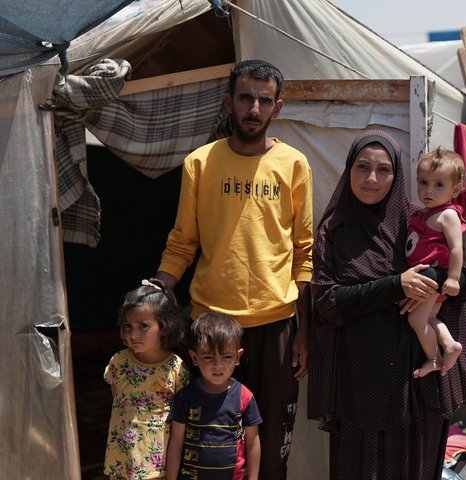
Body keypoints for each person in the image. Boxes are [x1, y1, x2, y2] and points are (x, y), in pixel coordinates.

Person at [155, 59, 313, 479]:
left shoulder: (294, 164)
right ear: (229, 102)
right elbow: (183, 240)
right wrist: (160, 285)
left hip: (276, 323)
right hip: (210, 324)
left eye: (264, 100)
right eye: (245, 97)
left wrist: (304, 329)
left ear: (277, 107)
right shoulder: (200, 163)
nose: (254, 109)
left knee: (272, 437)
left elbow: (304, 251)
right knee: (206, 440)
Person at [308, 129, 466, 479]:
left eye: (384, 169)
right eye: (362, 166)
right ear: (348, 169)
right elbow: (327, 302)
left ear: (398, 173)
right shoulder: (335, 230)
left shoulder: (422, 218)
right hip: (359, 386)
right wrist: (396, 284)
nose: (372, 178)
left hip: (415, 386)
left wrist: (431, 278)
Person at [103, 278, 190, 480]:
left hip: (158, 467)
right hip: (122, 461)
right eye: (128, 326)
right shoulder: (119, 362)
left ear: (164, 327)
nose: (133, 334)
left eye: (143, 326)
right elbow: (118, 402)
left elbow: (181, 421)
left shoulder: (175, 368)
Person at [166, 312, 262, 480]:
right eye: (209, 357)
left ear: (238, 357)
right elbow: (176, 442)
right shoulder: (185, 397)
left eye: (227, 357)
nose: (218, 366)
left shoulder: (245, 397)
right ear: (195, 357)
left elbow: (253, 442)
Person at [406, 147, 466, 378]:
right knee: (430, 317)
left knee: (416, 318)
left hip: (435, 277)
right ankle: (449, 344)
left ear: (456, 189)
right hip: (427, 278)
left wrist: (453, 277)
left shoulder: (448, 214)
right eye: (423, 182)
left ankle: (433, 359)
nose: (428, 190)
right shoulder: (425, 212)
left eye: (438, 185)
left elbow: (456, 247)